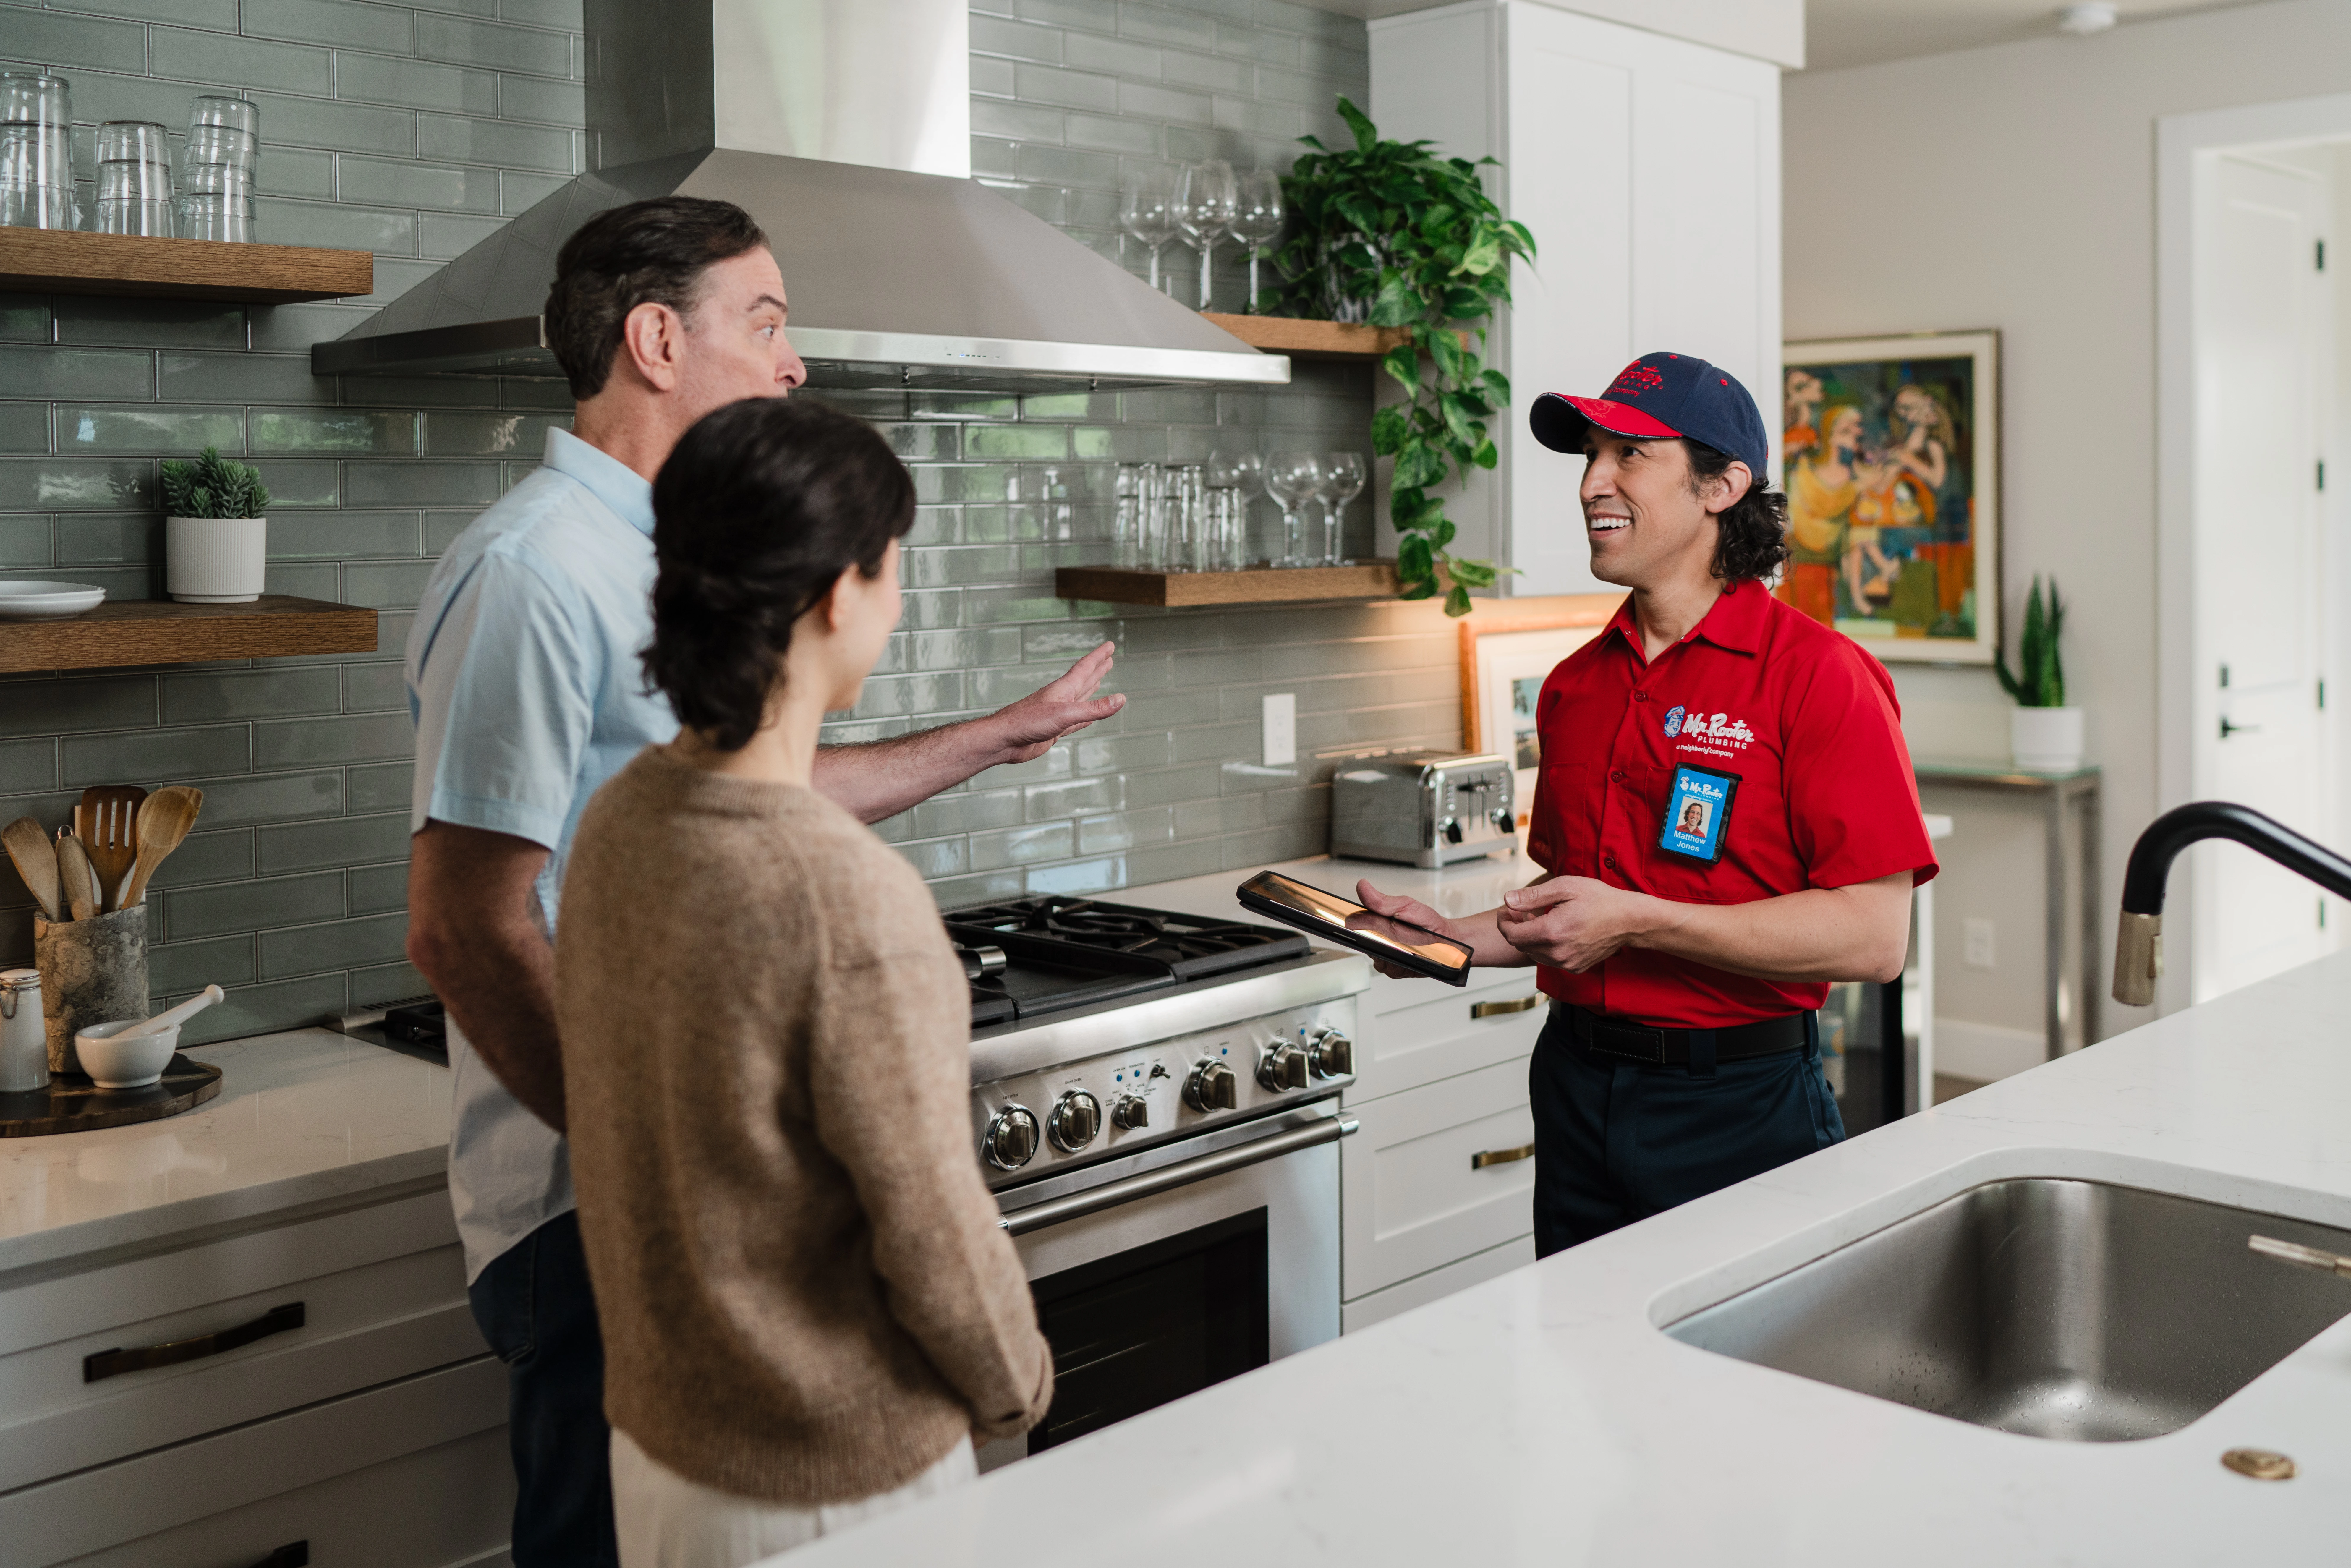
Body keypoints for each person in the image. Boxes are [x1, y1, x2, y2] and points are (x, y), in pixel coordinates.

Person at [401, 197, 1120, 1566]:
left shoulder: (660, 557)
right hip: (592, 1208)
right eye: (767, 324)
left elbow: (740, 796)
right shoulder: (534, 574)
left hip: (686, 1204)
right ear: (657, 339)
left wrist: (996, 736)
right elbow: (463, 921)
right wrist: (631, 1164)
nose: (794, 364)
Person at [555, 398, 1051, 1568]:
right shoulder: (842, 896)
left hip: (665, 1457)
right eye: (891, 572)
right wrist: (1019, 1391)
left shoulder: (622, 820)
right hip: (839, 1482)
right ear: (839, 593)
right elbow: (933, 1234)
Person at [1355, 351, 1937, 1257]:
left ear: (1722, 485)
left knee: (1741, 1387)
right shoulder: (1575, 687)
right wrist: (1443, 939)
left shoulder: (1819, 677)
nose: (1594, 483)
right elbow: (1576, 909)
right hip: (1577, 1085)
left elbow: (1872, 937)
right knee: (1589, 1373)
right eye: (1590, 456)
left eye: (1630, 455)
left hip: (1739, 1103)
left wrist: (1639, 922)